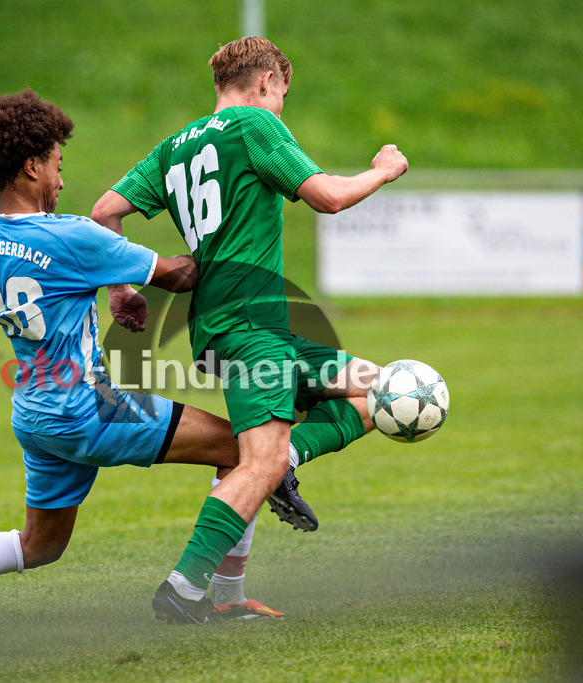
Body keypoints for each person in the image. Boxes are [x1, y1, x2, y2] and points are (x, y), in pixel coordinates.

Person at [0, 89, 295, 624]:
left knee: (40, 546)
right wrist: (230, 236)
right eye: (58, 165)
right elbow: (179, 273)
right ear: (32, 166)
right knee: (247, 455)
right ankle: (223, 596)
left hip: (35, 415)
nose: (62, 179)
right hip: (91, 407)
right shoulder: (72, 236)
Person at [91, 36, 408, 621]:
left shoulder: (174, 147)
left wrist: (124, 289)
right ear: (266, 82)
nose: (281, 105)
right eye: (282, 93)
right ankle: (184, 592)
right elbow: (330, 199)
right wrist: (382, 171)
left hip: (250, 329)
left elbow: (104, 211)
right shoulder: (255, 126)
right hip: (248, 331)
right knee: (255, 462)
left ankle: (265, 510)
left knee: (383, 388)